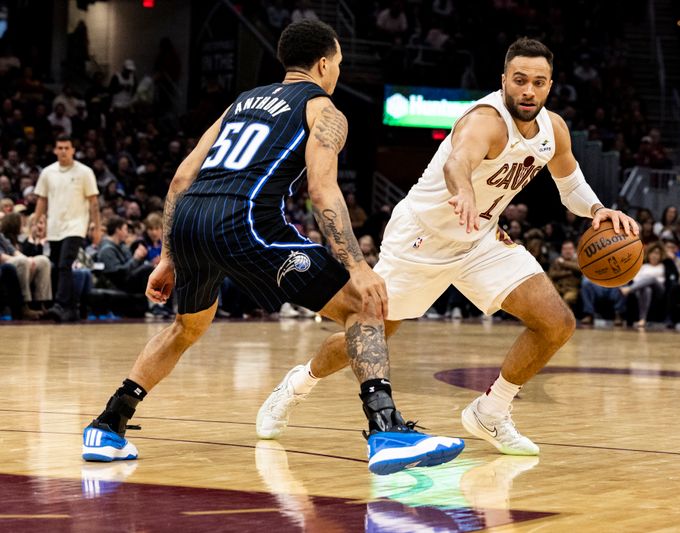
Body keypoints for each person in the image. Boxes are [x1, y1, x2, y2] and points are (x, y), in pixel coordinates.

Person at [80, 20, 463, 475]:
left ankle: (109, 424)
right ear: (324, 63)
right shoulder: (324, 110)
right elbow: (322, 191)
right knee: (366, 304)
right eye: (338, 64)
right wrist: (357, 265)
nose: (338, 72)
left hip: (189, 219)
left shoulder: (241, 102)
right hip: (243, 220)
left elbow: (183, 175)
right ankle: (386, 428)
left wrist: (168, 255)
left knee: (187, 327)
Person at [259, 37, 637, 456]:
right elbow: (460, 160)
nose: (528, 90)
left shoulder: (554, 129)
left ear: (550, 85)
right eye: (519, 80)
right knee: (372, 334)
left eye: (538, 82)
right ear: (504, 80)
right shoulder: (484, 121)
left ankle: (490, 413)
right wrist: (464, 193)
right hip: (422, 239)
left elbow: (570, 184)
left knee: (556, 322)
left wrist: (598, 209)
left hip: (480, 240)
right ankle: (297, 385)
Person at [33, 134, 101, 322]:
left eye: (66, 148)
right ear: (55, 150)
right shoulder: (47, 172)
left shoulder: (85, 172)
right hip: (54, 227)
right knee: (58, 266)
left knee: (64, 264)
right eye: (60, 148)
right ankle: (72, 309)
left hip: (76, 226)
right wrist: (35, 222)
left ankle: (60, 305)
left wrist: (97, 227)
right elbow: (42, 199)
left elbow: (93, 202)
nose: (63, 151)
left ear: (73, 150)